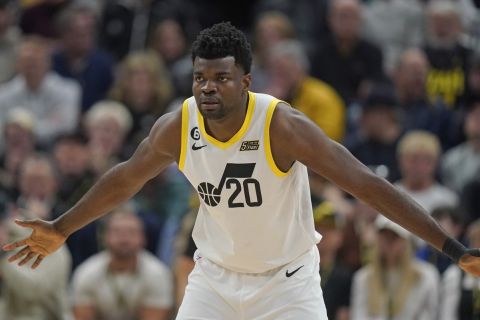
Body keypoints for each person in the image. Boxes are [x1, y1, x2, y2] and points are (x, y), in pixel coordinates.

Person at [3, 22, 480, 320]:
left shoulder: (282, 125)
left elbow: (367, 185)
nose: (207, 88)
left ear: (246, 81)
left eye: (221, 78)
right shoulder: (179, 124)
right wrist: (62, 227)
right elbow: (126, 178)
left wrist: (454, 249)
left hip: (287, 284)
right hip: (214, 281)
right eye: (199, 77)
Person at [71, 204, 173, 320]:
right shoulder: (86, 272)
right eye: (117, 232)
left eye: (131, 232)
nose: (124, 238)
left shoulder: (158, 273)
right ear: (104, 237)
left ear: (143, 238)